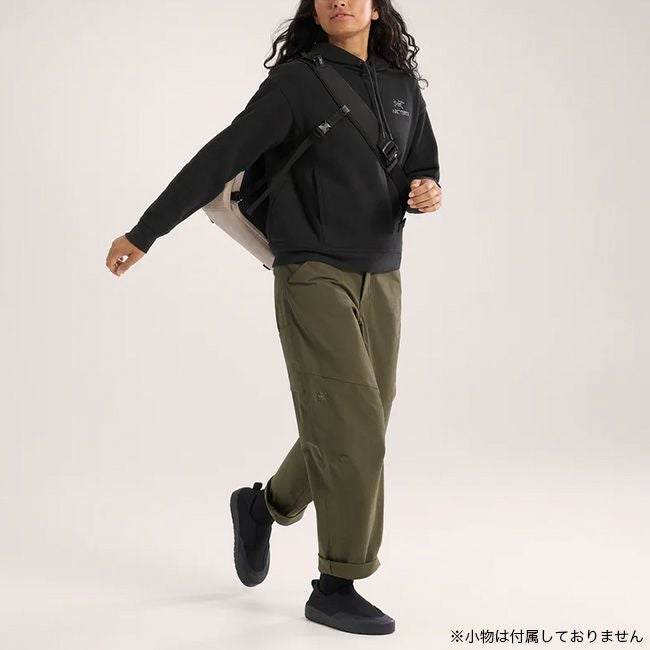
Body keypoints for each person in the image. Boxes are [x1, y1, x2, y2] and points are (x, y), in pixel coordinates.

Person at [105, 0, 442, 636]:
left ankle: (263, 508)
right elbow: (219, 157)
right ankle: (336, 585)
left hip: (383, 273)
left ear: (376, 9)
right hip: (311, 271)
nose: (338, 1)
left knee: (360, 420)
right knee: (355, 430)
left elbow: (421, 165)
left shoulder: (402, 88)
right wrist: (145, 232)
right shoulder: (297, 83)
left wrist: (428, 189)